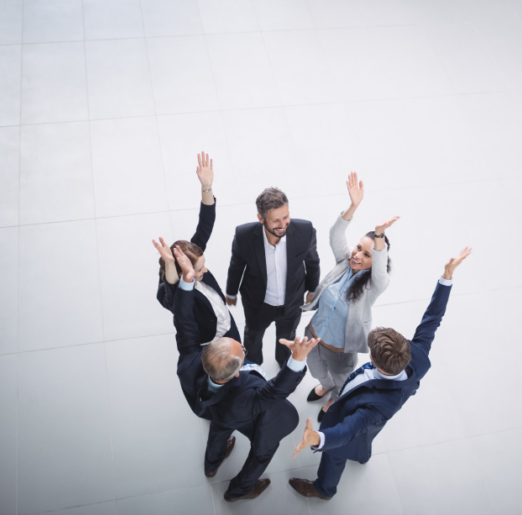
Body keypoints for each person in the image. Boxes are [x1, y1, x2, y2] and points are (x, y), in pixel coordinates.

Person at [288, 247, 473, 500]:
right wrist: (447, 276)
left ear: (373, 359)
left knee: (337, 454)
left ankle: (324, 490)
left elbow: (348, 429)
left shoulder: (379, 406)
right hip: (371, 423)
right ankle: (362, 455)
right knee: (365, 440)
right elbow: (432, 318)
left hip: (346, 426)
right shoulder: (417, 352)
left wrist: (318, 438)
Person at [172, 245, 321, 502]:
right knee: (261, 454)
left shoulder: (189, 359)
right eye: (241, 352)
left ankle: (212, 464)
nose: (243, 346)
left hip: (213, 409)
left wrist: (187, 279)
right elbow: (276, 391)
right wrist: (297, 359)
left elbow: (183, 321)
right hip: (239, 414)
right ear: (237, 374)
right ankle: (238, 491)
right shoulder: (247, 395)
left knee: (219, 430)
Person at [303, 172, 399, 422]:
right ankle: (325, 386)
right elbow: (335, 235)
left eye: (366, 254)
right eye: (358, 248)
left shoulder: (374, 285)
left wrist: (379, 236)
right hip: (312, 337)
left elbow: (379, 265)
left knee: (341, 380)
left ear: (374, 260)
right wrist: (353, 206)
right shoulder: (343, 263)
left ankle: (335, 398)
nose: (357, 255)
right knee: (315, 371)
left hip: (340, 350)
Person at [226, 187, 320, 367]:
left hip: (291, 301)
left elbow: (313, 262)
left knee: (287, 336)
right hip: (258, 302)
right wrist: (231, 292)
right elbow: (236, 266)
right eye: (276, 220)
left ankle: (283, 361)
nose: (283, 224)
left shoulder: (305, 230)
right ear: (261, 218)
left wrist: (312, 289)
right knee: (253, 336)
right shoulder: (244, 236)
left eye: (285, 217)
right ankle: (253, 366)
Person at [153, 152, 240, 344]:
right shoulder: (168, 295)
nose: (206, 270)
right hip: (210, 342)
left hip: (227, 324)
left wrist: (206, 187)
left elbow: (205, 224)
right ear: (185, 270)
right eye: (199, 269)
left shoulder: (191, 256)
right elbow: (175, 292)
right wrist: (169, 263)